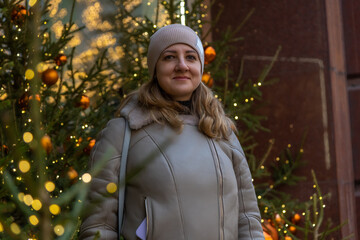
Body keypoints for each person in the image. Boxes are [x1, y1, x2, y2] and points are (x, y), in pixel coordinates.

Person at [79, 24, 265, 240]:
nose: (182, 66)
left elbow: (248, 219)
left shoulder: (222, 131)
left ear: (200, 67)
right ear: (155, 68)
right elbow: (99, 226)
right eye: (169, 57)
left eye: (191, 57)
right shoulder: (124, 132)